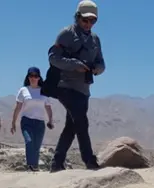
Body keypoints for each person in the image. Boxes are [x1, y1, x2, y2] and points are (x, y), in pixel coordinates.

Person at [47, 0, 105, 172]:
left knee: (71, 127)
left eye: (92, 21)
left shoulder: (95, 39)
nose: (88, 24)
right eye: (85, 20)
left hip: (83, 89)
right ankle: (90, 161)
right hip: (65, 86)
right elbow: (53, 58)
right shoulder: (66, 34)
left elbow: (102, 63)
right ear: (78, 17)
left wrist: (96, 69)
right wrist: (75, 65)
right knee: (81, 122)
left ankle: (57, 164)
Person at [10, 67, 55, 172]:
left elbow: (48, 107)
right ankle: (30, 166)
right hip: (27, 121)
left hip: (40, 123)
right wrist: (13, 123)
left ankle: (35, 167)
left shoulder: (44, 91)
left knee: (36, 146)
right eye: (31, 76)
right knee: (29, 142)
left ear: (39, 78)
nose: (33, 78)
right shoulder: (23, 90)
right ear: (28, 77)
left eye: (35, 76)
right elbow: (18, 107)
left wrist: (50, 120)